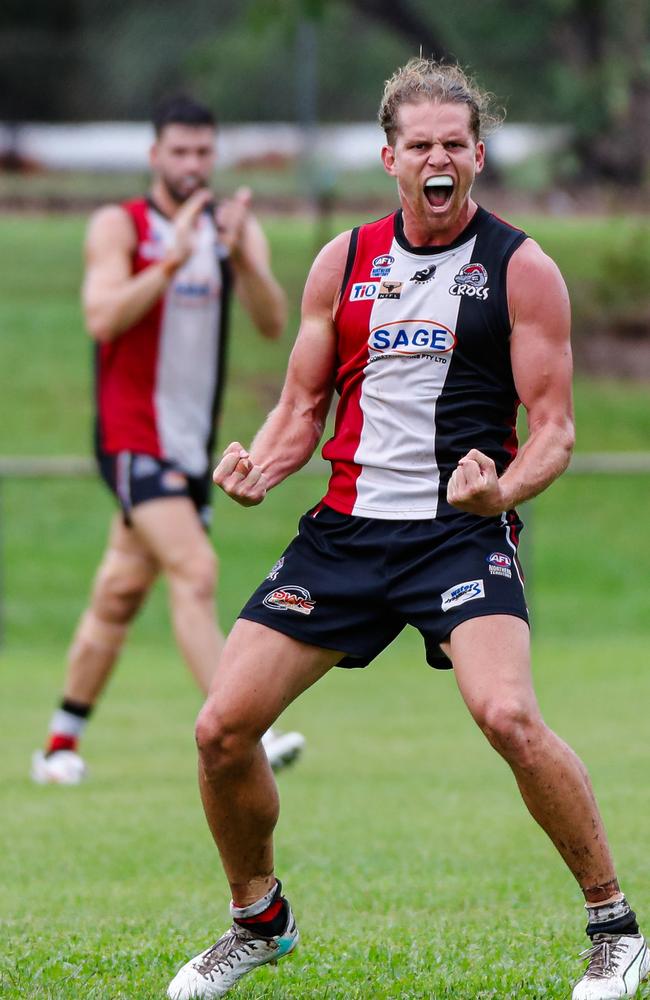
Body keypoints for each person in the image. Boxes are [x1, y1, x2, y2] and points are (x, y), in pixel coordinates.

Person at [167, 61, 648, 1000]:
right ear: (390, 157)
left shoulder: (521, 268)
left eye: (454, 143)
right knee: (222, 730)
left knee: (507, 715)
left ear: (477, 154)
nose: (438, 158)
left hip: (457, 535)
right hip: (344, 533)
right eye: (419, 144)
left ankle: (615, 932)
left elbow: (555, 430)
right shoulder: (343, 262)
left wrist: (499, 493)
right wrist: (262, 463)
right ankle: (258, 922)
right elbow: (302, 405)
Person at [31, 95, 304, 785]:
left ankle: (60, 745)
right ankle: (244, 728)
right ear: (155, 156)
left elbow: (274, 323)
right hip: (131, 439)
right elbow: (100, 316)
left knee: (120, 591)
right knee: (196, 571)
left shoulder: (231, 227)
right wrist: (169, 263)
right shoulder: (119, 226)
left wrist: (243, 255)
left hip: (191, 449)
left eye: (202, 152)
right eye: (178, 152)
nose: (191, 164)